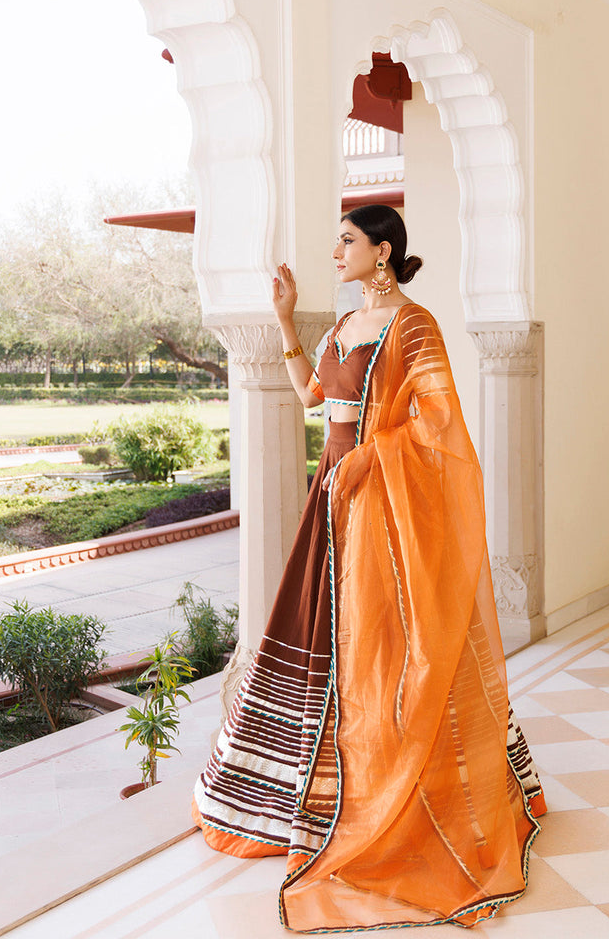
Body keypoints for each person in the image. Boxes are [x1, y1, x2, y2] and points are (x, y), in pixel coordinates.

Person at [193, 204, 546, 932]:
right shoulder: (342, 327)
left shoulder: (414, 326)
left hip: (380, 509)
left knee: (385, 647)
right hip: (331, 501)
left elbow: (438, 427)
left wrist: (370, 462)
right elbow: (312, 400)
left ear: (383, 252)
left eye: (348, 241)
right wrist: (287, 322)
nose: (337, 250)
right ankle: (300, 795)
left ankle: (397, 785)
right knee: (323, 639)